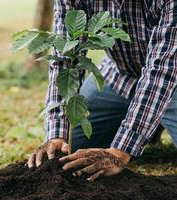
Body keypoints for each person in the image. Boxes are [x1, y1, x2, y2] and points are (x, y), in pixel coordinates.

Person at [27, 0, 177, 181]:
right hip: (119, 76)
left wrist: (120, 152)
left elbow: (162, 72)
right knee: (72, 149)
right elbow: (65, 58)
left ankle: (151, 125)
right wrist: (56, 135)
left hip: (171, 84)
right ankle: (148, 126)